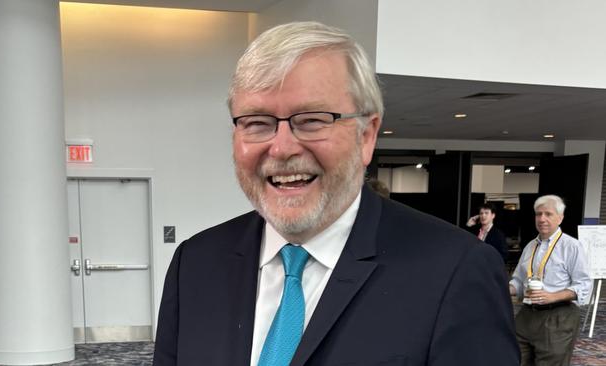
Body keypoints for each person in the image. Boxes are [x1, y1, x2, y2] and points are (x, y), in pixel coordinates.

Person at [154, 21, 518, 365]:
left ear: (367, 136)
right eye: (256, 123)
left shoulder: (455, 271)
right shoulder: (196, 263)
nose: (281, 148)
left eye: (312, 120)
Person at [509, 195, 592, 366]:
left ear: (560, 218)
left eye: (548, 214)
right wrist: (501, 288)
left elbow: (584, 285)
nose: (542, 219)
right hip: (527, 314)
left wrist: (552, 296)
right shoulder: (530, 246)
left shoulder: (572, 246)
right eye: (538, 214)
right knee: (515, 358)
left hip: (558, 316)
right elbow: (517, 281)